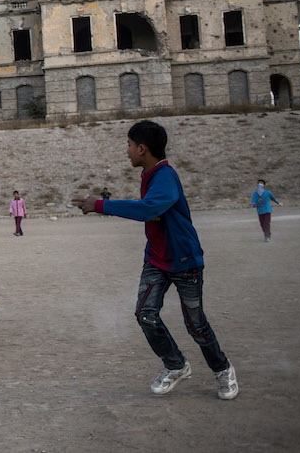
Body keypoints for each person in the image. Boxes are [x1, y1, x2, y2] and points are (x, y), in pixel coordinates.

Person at [72, 120, 238, 400]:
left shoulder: (166, 176)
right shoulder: (149, 175)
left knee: (196, 325)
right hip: (157, 260)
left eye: (128, 145)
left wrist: (101, 205)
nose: (126, 151)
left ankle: (223, 369)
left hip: (185, 262)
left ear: (142, 148)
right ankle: (176, 365)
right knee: (145, 315)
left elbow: (149, 209)